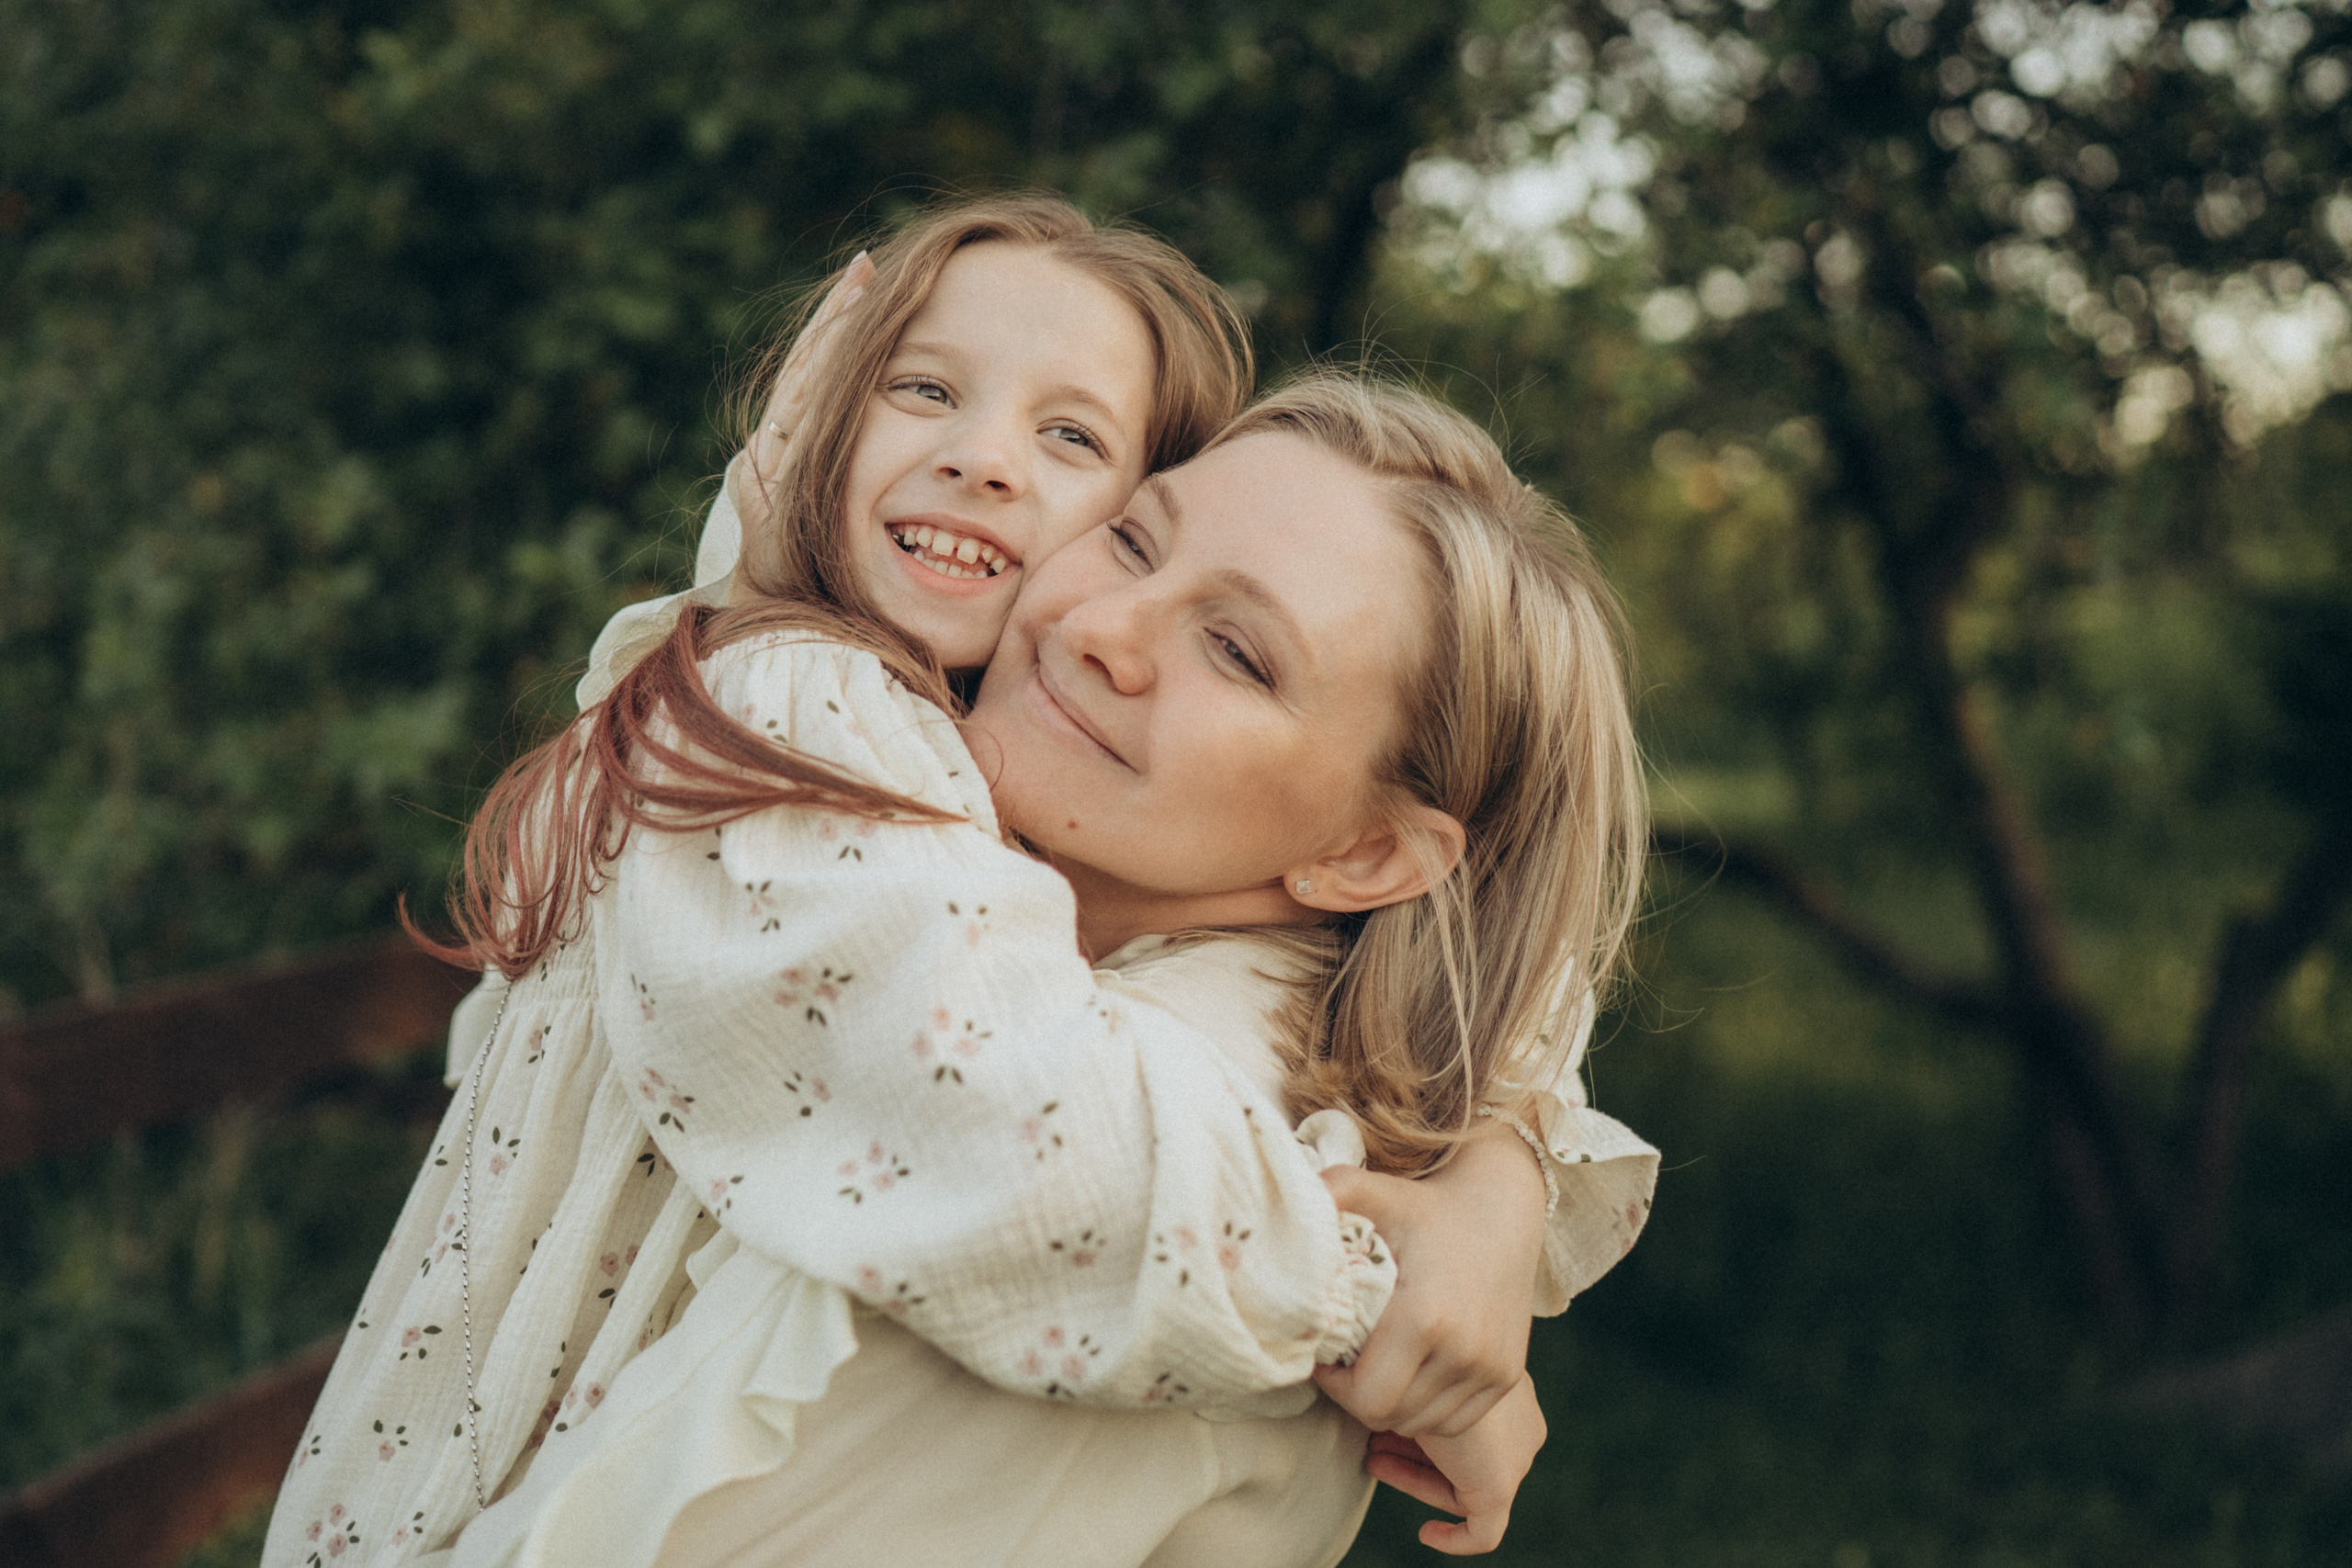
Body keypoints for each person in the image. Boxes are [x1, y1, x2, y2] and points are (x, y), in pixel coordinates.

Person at [264, 197, 1653, 1568]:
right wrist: (1447, 1237)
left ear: (1367, 855)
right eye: (1133, 541)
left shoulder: (1180, 1074)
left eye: (1239, 652)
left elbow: (1043, 1142)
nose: (1106, 626)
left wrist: (1459, 1227)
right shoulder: (817, 713)